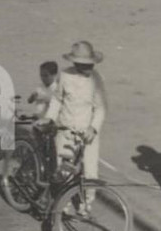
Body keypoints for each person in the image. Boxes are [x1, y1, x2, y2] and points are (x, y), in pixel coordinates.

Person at [36, 41, 108, 214]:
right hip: (65, 131)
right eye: (84, 65)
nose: (88, 68)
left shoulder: (96, 79)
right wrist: (49, 118)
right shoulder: (65, 76)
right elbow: (57, 99)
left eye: (90, 65)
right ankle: (65, 205)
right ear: (76, 64)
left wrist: (93, 128)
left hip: (87, 133)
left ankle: (86, 204)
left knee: (90, 172)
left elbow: (101, 107)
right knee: (63, 171)